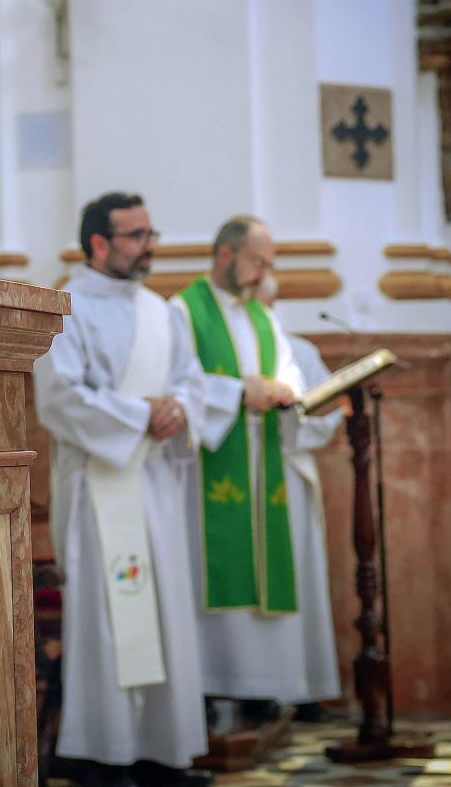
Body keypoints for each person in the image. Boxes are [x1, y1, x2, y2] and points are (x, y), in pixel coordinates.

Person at [34, 192, 211, 787]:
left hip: (156, 484)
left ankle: (162, 752)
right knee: (109, 618)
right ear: (99, 244)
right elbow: (61, 398)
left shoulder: (164, 312)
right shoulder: (64, 307)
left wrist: (179, 408)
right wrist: (143, 416)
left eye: (150, 232)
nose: (150, 245)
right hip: (99, 486)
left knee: (162, 615)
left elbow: (191, 381)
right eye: (136, 235)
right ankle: (99, 754)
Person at [169, 217, 320, 721]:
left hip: (264, 458)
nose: (262, 274)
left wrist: (286, 390)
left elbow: (288, 367)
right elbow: (180, 381)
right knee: (215, 565)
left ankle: (263, 687)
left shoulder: (263, 317)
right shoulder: (183, 311)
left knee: (266, 570)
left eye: (268, 265)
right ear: (226, 255)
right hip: (212, 462)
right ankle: (213, 686)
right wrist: (237, 393)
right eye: (258, 262)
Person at [257, 274, 343, 719]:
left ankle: (305, 687)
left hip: (287, 475)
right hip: (242, 484)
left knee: (301, 581)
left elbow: (330, 410)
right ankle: (258, 689)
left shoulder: (298, 351)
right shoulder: (232, 353)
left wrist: (297, 420)